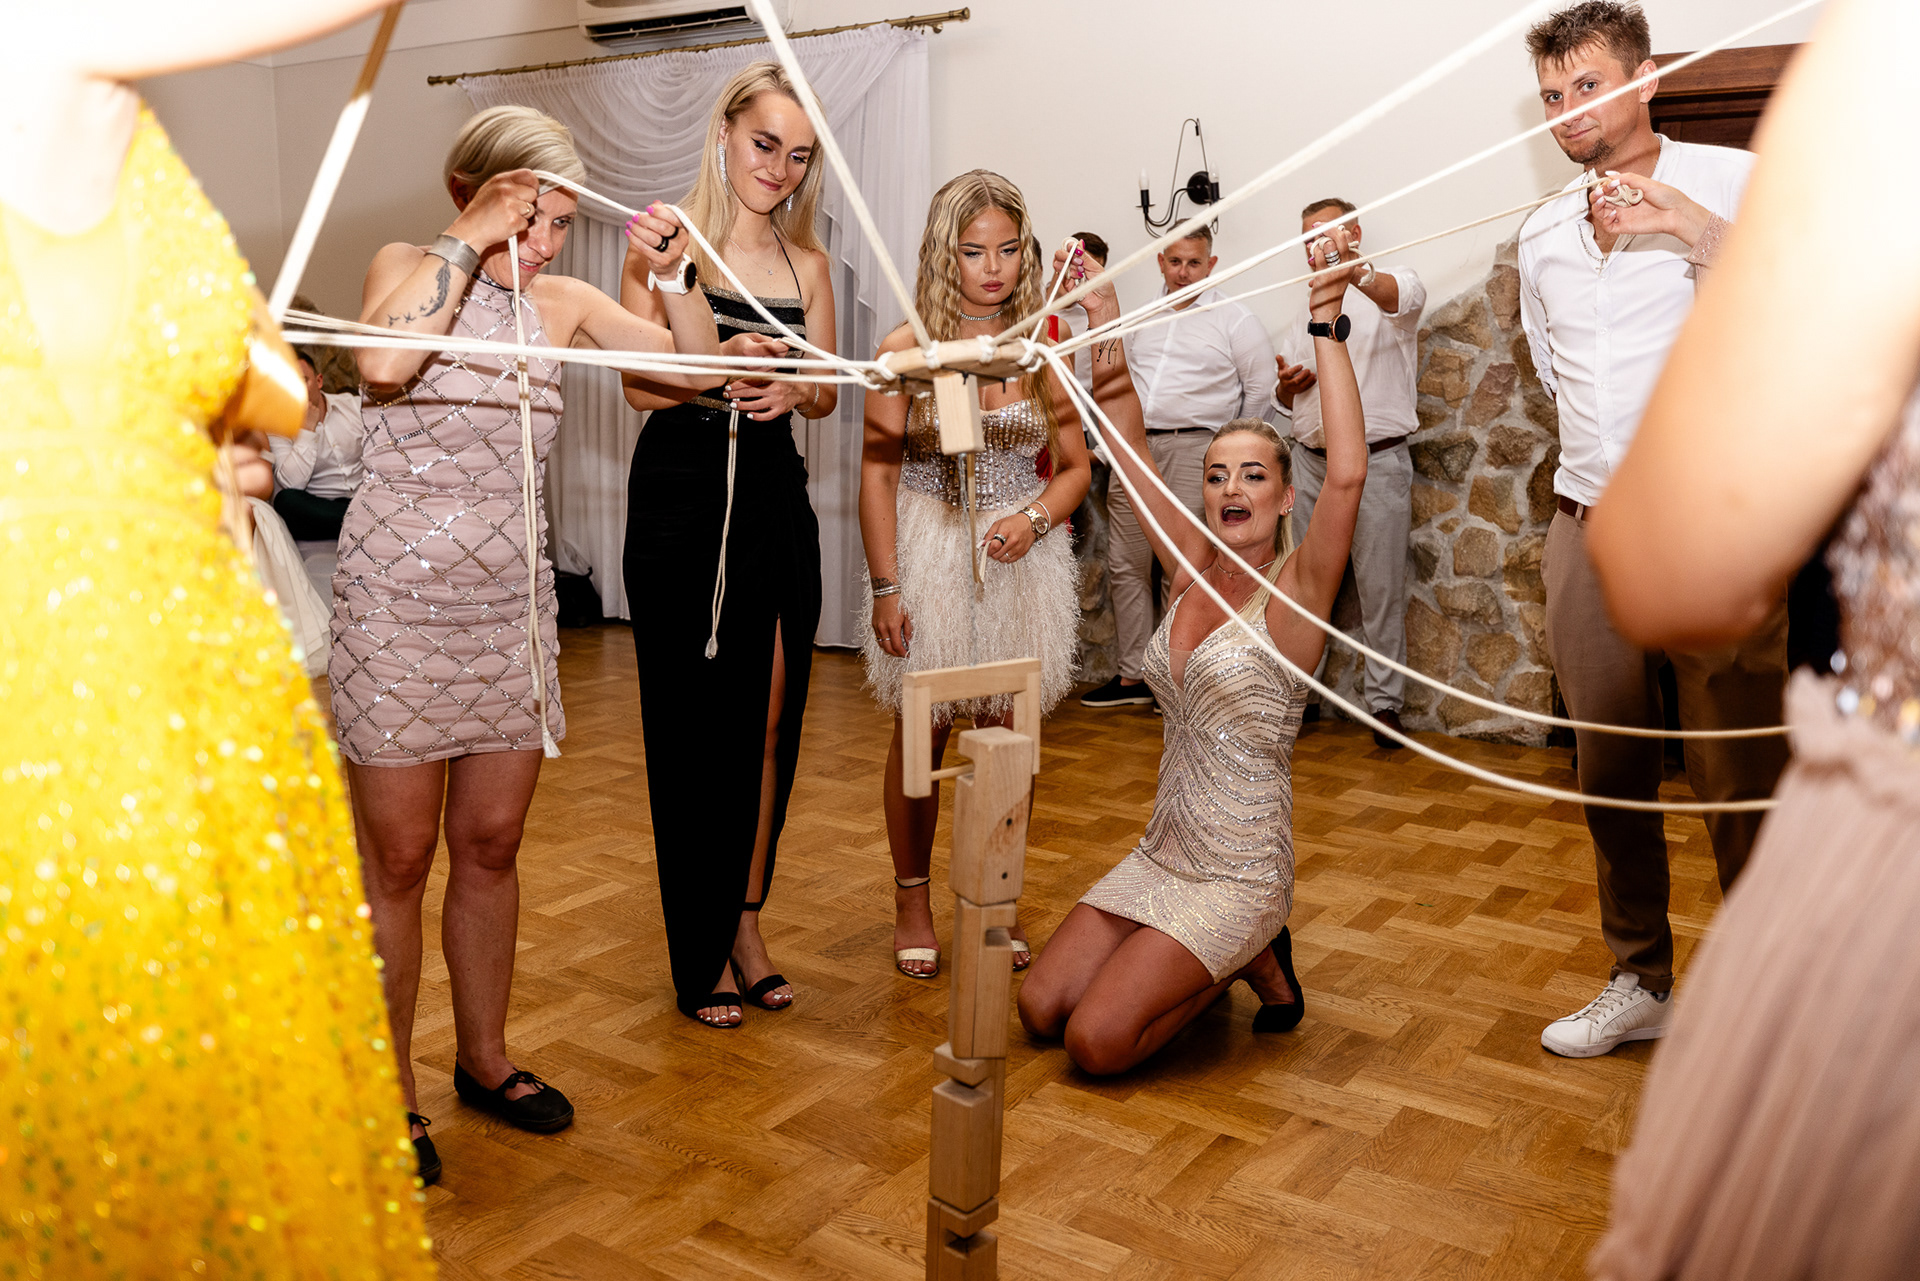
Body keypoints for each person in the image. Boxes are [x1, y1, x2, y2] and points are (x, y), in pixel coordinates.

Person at [0, 2, 434, 1271]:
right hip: (73, 682)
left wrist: (193, 450)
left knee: (198, 1094)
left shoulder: (121, 133)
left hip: (205, 679)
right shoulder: (39, 39)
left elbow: (191, 385)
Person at [1579, 1, 1920, 1273]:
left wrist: (1709, 252)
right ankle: (1639, 974)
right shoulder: (1545, 233)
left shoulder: (1876, 75)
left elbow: (1673, 564)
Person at [339, 105, 716, 1166]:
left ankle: (485, 1057)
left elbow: (694, 374)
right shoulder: (406, 267)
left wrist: (679, 276)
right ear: (472, 193)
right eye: (530, 218)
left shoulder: (563, 303)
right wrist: (471, 237)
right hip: (395, 614)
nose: (546, 245)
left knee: (491, 846)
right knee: (400, 858)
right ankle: (385, 1094)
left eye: (560, 223)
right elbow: (382, 367)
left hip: (509, 614)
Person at [1017, 225, 1369, 1075]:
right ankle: (1232, 955)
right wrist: (1102, 312)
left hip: (1241, 871)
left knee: (1096, 1042)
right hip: (1165, 849)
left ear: (1284, 498)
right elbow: (1127, 442)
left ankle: (1248, 949)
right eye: (1216, 475)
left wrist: (1326, 322)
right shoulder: (1188, 569)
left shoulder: (1297, 592)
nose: (1230, 488)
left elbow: (1349, 472)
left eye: (1252, 474)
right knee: (1039, 1007)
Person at [1514, 0, 1789, 1059]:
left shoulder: (1731, 178)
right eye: (1553, 96)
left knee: (1737, 773)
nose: (1569, 110)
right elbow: (1554, 372)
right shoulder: (1541, 230)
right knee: (1611, 770)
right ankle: (1639, 979)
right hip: (1587, 525)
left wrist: (1689, 228)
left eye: (1588, 85)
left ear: (1646, 79)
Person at [618, 61, 837, 1028]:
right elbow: (636, 384)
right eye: (764, 144)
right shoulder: (665, 245)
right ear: (724, 133)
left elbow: (827, 390)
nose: (779, 169)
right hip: (682, 492)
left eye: (799, 156)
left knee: (771, 718)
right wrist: (716, 370)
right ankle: (698, 941)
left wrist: (796, 387)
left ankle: (745, 921)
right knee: (693, 728)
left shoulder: (809, 264)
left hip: (774, 493)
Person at [862, 169, 1092, 981]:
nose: (992, 268)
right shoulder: (904, 349)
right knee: (921, 734)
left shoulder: (1041, 345)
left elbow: (1077, 468)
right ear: (943, 253)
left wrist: (1035, 520)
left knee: (1008, 737)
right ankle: (912, 901)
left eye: (1007, 249)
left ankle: (995, 897)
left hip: (1022, 559)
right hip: (929, 547)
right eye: (972, 251)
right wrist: (887, 585)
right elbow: (878, 473)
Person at [1080, 224, 1276, 711]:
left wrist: (1228, 458)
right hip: (1135, 450)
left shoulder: (1236, 319)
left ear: (1211, 264)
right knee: (1126, 563)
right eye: (1174, 261)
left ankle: (1177, 677)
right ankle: (1133, 676)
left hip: (1198, 451)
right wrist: (1105, 446)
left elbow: (1261, 391)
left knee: (1185, 568)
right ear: (1160, 262)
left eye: (1193, 263)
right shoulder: (1140, 316)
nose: (1183, 272)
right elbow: (1115, 380)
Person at [1273, 198, 1426, 748]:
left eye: (1328, 232)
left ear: (1354, 232)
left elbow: (1397, 294)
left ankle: (1385, 706)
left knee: (1382, 588)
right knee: (1303, 584)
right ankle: (1300, 695)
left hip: (1377, 462)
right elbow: (1287, 397)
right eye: (1308, 236)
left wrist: (1353, 271)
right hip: (1310, 465)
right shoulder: (1300, 312)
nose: (1317, 243)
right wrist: (1286, 388)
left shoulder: (1392, 289)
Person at [269, 348, 366, 541]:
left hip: (363, 498)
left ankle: (357, 520)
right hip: (320, 507)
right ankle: (364, 521)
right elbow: (292, 484)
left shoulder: (354, 405)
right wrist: (307, 431)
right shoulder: (276, 427)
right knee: (286, 501)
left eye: (302, 380)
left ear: (319, 381)